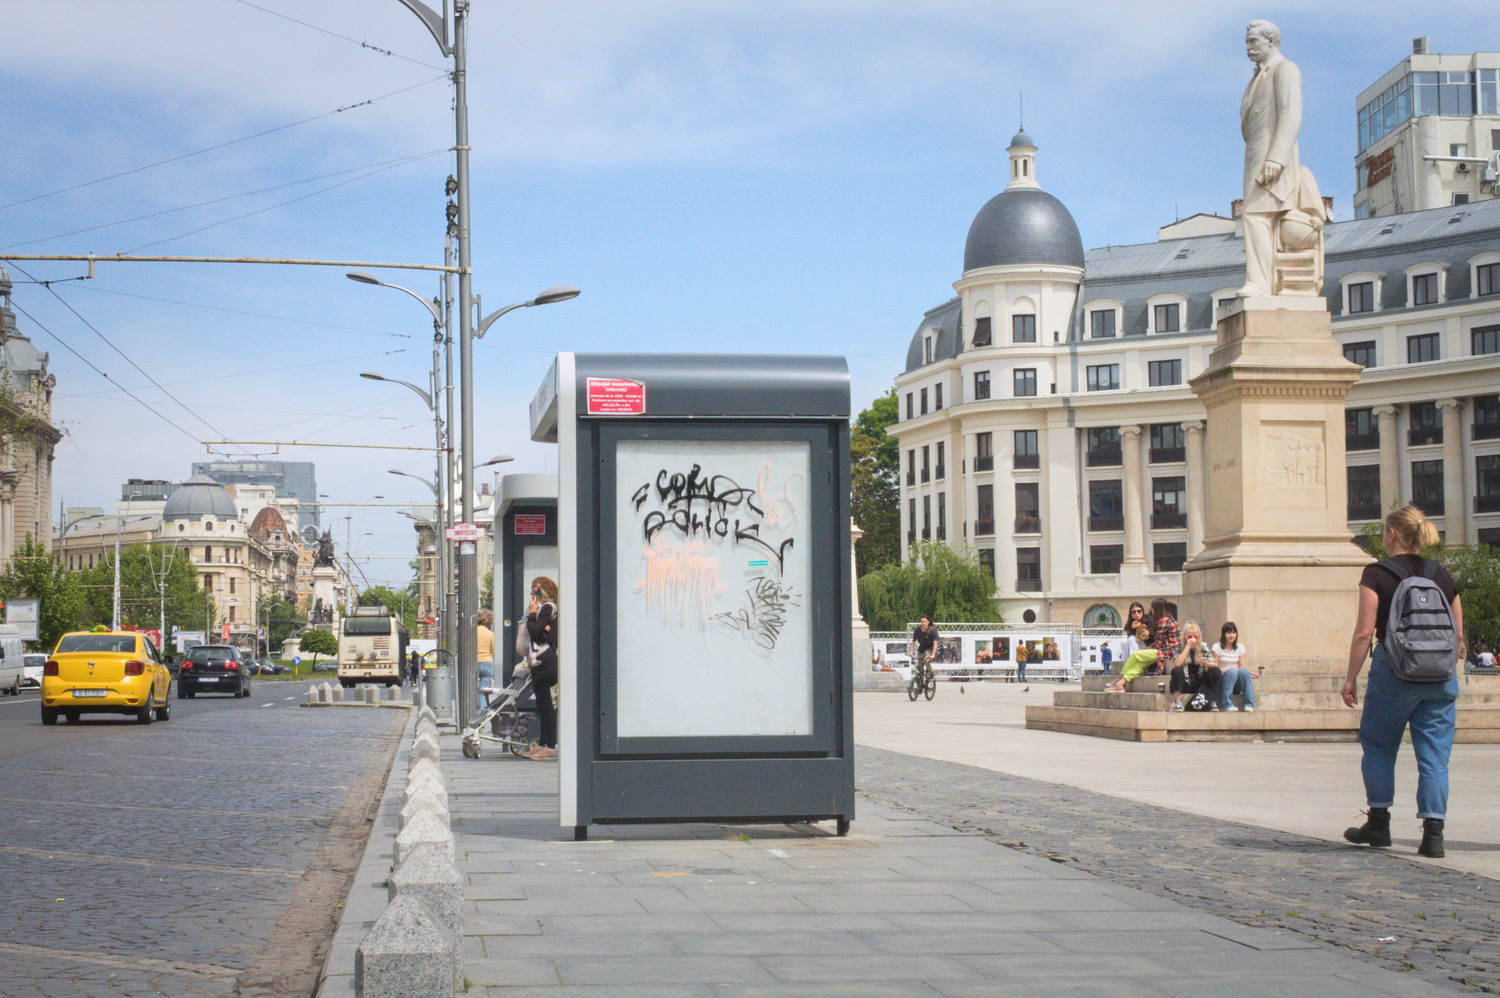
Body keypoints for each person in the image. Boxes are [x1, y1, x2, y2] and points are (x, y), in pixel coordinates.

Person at [1342, 506, 1462, 859]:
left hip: (1393, 672)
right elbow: (1458, 634)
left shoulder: (1376, 574)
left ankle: (1379, 824)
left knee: (1379, 748)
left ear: (1392, 534)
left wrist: (1350, 678)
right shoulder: (1441, 575)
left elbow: (1365, 632)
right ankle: (1433, 836)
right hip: (1439, 679)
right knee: (1435, 758)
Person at [522, 576, 559, 761]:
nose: (532, 592)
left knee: (546, 706)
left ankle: (549, 745)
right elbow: (539, 631)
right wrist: (539, 626)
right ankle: (543, 743)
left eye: (535, 589)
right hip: (539, 658)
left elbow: (534, 630)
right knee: (542, 704)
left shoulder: (548, 607)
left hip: (545, 660)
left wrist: (532, 613)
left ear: (543, 589)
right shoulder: (546, 609)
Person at [1105, 599, 1178, 692]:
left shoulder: (1163, 621)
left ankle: (1119, 678)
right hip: (1167, 650)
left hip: (1166, 652)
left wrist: (1146, 648)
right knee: (1139, 665)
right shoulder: (1170, 619)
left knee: (1136, 655)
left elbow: (1159, 643)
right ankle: (1121, 683)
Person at [1168, 622, 1222, 712]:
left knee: (1216, 671)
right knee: (1176, 670)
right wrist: (1188, 647)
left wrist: (1205, 663)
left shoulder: (1203, 647)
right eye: (1190, 637)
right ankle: (1177, 701)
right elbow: (1177, 663)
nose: (1192, 639)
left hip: (1198, 681)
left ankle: (1210, 700)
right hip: (1184, 682)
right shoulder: (1179, 647)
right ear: (1185, 637)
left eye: (1195, 637)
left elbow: (1214, 664)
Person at [1212, 622, 1255, 712]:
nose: (1231, 635)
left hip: (1236, 682)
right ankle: (1225, 703)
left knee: (1245, 671)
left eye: (1234, 632)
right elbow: (1214, 669)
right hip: (1224, 680)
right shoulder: (1216, 647)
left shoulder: (1240, 647)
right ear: (1223, 634)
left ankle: (1249, 704)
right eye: (1228, 633)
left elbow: (1242, 667)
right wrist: (1230, 669)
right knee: (1232, 672)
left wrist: (1248, 674)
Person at [476, 609, 496, 708]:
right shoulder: (490, 634)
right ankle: (482, 716)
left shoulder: (472, 633)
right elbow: (493, 651)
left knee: (470, 691)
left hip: (473, 663)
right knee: (483, 692)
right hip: (487, 663)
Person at [912, 615, 938, 687]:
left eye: (925, 621)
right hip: (921, 649)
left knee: (926, 661)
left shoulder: (932, 630)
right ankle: (920, 684)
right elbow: (913, 641)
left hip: (930, 649)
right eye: (922, 621)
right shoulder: (917, 630)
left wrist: (933, 654)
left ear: (928, 622)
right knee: (919, 667)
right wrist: (910, 651)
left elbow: (935, 643)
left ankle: (932, 675)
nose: (923, 623)